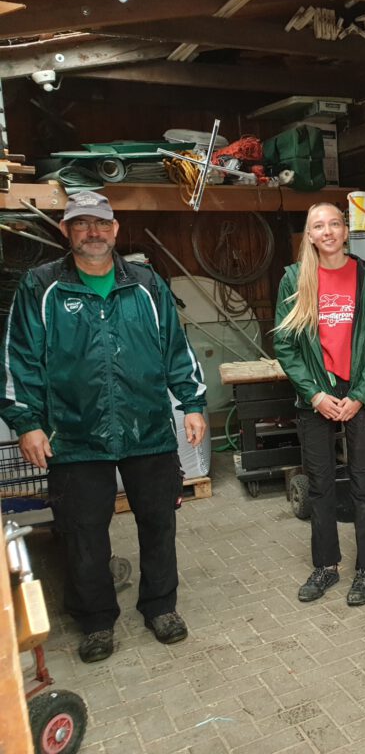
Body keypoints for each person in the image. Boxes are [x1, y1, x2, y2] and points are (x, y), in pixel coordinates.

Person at [0, 190, 208, 663]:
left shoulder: (147, 283)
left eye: (100, 224)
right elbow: (20, 360)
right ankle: (95, 620)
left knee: (159, 522)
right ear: (65, 231)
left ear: (115, 230)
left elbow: (176, 348)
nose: (92, 232)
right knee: (82, 530)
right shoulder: (41, 286)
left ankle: (160, 605)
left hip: (147, 428)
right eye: (81, 224)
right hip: (74, 434)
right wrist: (28, 422)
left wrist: (193, 403)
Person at [274, 203, 365, 606]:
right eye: (317, 226)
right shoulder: (294, 279)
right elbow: (285, 346)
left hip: (359, 390)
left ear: (345, 231)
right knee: (322, 486)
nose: (327, 232)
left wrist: (359, 395)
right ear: (309, 235)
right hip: (316, 395)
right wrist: (314, 394)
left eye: (334, 224)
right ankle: (326, 566)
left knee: (364, 486)